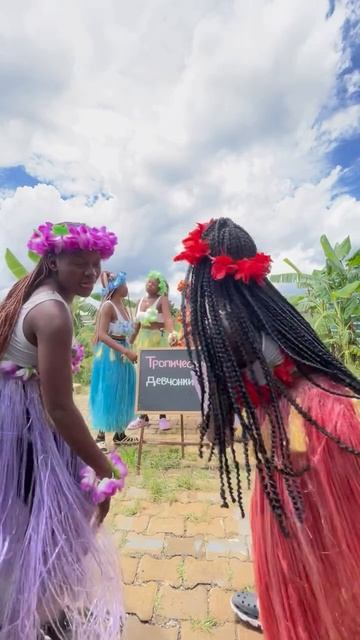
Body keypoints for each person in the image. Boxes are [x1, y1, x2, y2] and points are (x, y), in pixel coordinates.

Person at [175, 217, 360, 640]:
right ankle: (327, 607)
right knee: (329, 531)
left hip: (294, 434)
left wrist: (217, 428)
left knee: (291, 537)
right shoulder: (269, 303)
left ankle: (298, 615)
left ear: (203, 270)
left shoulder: (221, 321)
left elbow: (221, 404)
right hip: (333, 416)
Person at [0, 222, 125, 639]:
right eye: (79, 263)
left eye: (96, 263)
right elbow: (58, 407)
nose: (90, 272)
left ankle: (36, 609)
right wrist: (102, 466)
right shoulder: (53, 312)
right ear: (52, 260)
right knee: (49, 518)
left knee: (29, 519)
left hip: (19, 422)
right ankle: (31, 617)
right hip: (27, 429)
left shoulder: (37, 296)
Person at [89, 270, 138, 448]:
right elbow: (102, 335)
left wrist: (138, 326)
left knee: (123, 392)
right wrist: (126, 352)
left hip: (123, 353)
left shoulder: (123, 307)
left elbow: (128, 337)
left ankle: (120, 434)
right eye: (124, 284)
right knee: (107, 391)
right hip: (110, 356)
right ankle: (100, 437)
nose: (127, 287)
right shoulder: (108, 306)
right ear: (117, 287)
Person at [128, 271, 178, 431]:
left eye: (153, 283)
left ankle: (163, 417)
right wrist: (129, 343)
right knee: (143, 380)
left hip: (158, 341)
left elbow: (168, 319)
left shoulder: (162, 300)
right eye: (148, 282)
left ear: (160, 287)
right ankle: (143, 417)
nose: (149, 284)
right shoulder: (140, 301)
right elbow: (136, 325)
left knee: (158, 379)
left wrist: (172, 333)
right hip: (142, 342)